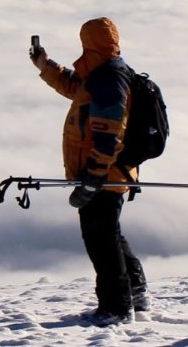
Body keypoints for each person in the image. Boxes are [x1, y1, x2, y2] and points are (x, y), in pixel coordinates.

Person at [29, 17, 147, 326]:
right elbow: (76, 88)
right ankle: (135, 294)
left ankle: (116, 309)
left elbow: (109, 133)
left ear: (89, 43)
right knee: (109, 234)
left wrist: (94, 177)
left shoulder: (109, 79)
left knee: (100, 239)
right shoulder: (105, 73)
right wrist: (45, 65)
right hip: (111, 173)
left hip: (105, 174)